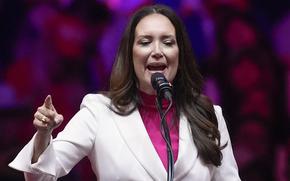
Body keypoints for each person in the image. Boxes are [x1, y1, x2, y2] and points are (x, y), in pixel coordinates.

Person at [9, 4, 241, 180]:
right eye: (145, 42)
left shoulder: (209, 115)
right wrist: (43, 135)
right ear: (129, 56)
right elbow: (40, 175)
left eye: (168, 42)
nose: (157, 51)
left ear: (180, 55)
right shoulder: (99, 112)